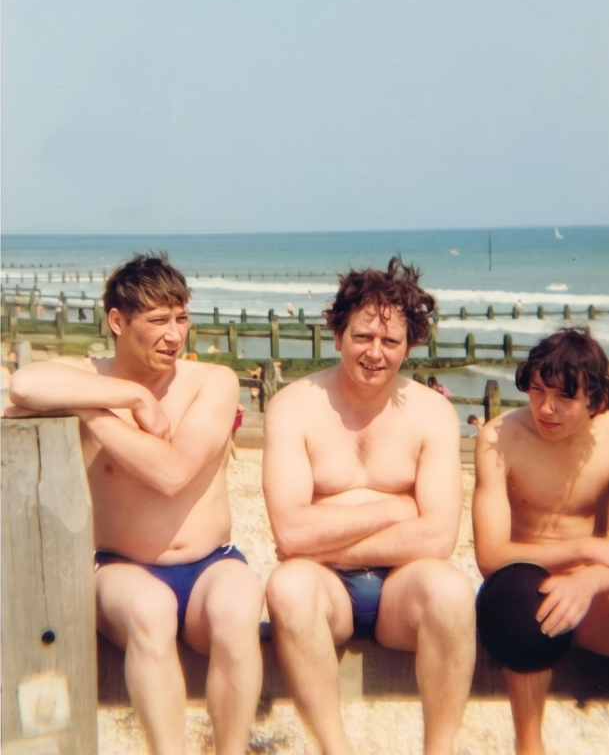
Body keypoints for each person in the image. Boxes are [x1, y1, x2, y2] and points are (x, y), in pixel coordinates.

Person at [4, 253, 263, 755]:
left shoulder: (211, 382)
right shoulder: (90, 374)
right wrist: (130, 397)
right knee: (150, 611)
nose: (174, 335)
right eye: (158, 320)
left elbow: (172, 473)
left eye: (182, 318)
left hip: (211, 563)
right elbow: (22, 384)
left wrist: (93, 410)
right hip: (120, 567)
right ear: (118, 322)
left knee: (240, 605)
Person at [263, 256, 476, 755]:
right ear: (338, 335)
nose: (374, 353)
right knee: (288, 584)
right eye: (362, 337)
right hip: (326, 590)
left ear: (409, 346)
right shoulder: (293, 406)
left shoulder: (434, 414)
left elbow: (439, 539)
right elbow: (290, 536)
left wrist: (327, 535)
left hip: (405, 588)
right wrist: (396, 509)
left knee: (451, 591)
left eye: (390, 341)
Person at [473, 327, 609, 755]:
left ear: (596, 400)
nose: (545, 409)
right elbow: (491, 556)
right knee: (522, 607)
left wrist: (589, 578)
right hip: (522, 584)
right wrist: (585, 550)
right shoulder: (500, 438)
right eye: (536, 391)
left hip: (594, 591)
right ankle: (529, 746)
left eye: (564, 398)